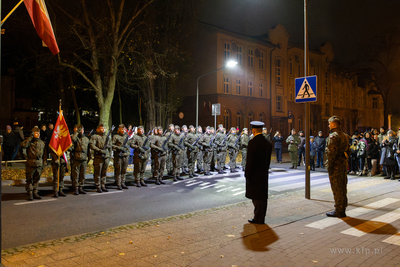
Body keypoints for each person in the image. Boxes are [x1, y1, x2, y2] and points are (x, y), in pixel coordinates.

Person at [245, 121, 272, 224]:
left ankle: (258, 218)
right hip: (263, 173)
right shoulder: (268, 142)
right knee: (262, 197)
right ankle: (260, 217)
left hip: (254, 174)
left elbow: (250, 161)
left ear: (253, 130)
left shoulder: (253, 143)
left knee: (256, 197)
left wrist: (247, 174)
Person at [325, 115, 349, 218]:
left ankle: (339, 210)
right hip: (343, 164)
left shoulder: (333, 136)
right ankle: (342, 207)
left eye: (329, 124)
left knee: (337, 187)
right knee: (343, 187)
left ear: (334, 125)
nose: (328, 126)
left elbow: (331, 153)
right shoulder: (345, 136)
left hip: (335, 165)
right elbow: (348, 151)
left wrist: (329, 166)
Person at [20, 126, 46, 201]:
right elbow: (24, 145)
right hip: (31, 163)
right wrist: (30, 138)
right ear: (33, 134)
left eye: (39, 133)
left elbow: (44, 153)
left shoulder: (42, 142)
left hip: (39, 164)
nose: (38, 134)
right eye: (36, 133)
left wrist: (44, 161)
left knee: (36, 179)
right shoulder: (29, 142)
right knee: (29, 179)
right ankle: (30, 193)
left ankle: (35, 192)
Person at [90, 124, 112, 192]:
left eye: (103, 128)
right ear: (98, 129)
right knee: (98, 172)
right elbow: (92, 146)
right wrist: (100, 150)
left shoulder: (107, 137)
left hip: (106, 157)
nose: (103, 130)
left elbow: (110, 146)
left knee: (104, 172)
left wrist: (109, 154)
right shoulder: (95, 137)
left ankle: (103, 185)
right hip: (98, 157)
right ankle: (98, 185)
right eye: (101, 128)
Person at [71, 125, 90, 195]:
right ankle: (76, 188)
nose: (81, 131)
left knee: (82, 175)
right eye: (80, 130)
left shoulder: (86, 139)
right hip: (77, 158)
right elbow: (73, 139)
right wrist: (76, 132)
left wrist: (89, 158)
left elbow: (88, 149)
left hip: (84, 159)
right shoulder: (76, 138)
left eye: (82, 130)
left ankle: (81, 187)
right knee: (76, 174)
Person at [112, 124, 130, 190]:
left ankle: (123, 182)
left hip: (125, 155)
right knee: (118, 170)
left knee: (124, 170)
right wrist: (119, 148)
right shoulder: (115, 136)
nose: (123, 130)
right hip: (119, 156)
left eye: (124, 129)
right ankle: (118, 183)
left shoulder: (127, 137)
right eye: (122, 129)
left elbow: (129, 144)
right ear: (119, 130)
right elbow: (112, 145)